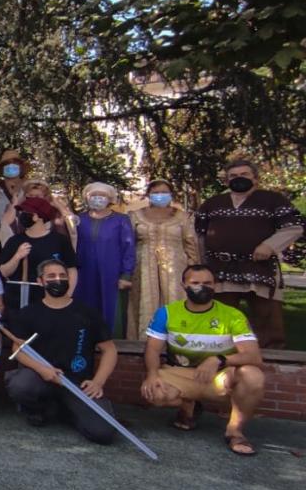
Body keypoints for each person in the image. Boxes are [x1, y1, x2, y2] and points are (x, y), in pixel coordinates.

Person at [141, 265, 265, 455]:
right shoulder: (166, 313)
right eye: (195, 282)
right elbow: (152, 349)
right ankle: (188, 408)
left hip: (220, 376)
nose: (202, 287)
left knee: (253, 376)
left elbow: (253, 356)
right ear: (184, 285)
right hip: (180, 373)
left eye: (207, 283)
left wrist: (218, 359)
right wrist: (151, 375)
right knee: (154, 393)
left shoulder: (232, 315)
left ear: (215, 285)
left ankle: (235, 431)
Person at [1, 259, 118, 444]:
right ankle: (41, 410)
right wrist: (42, 370)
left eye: (62, 276)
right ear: (40, 281)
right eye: (51, 276)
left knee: (102, 433)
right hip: (42, 378)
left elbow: (109, 350)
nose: (58, 280)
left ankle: (68, 410)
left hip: (77, 383)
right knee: (21, 385)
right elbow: (19, 349)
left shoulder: (87, 313)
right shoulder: (29, 313)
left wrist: (98, 382)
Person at [194, 159, 304, 349]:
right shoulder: (213, 203)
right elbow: (199, 235)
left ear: (255, 178)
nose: (238, 178)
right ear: (226, 180)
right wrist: (202, 263)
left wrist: (269, 246)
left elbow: (294, 227)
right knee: (220, 319)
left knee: (267, 318)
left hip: (260, 268)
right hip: (221, 269)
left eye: (244, 174)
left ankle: (271, 358)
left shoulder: (273, 200)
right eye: (233, 176)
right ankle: (222, 356)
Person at [128, 180, 200, 338]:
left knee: (175, 297)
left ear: (171, 195)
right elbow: (128, 243)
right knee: (144, 300)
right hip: (143, 266)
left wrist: (193, 266)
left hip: (176, 265)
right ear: (148, 195)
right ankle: (143, 340)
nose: (160, 196)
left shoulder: (182, 217)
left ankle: (179, 339)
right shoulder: (135, 216)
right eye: (155, 193)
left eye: (164, 192)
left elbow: (190, 242)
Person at [74, 181, 136, 335]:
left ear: (110, 199)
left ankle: (112, 341)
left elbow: (128, 247)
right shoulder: (79, 220)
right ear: (86, 198)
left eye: (102, 195)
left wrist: (126, 274)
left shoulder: (121, 220)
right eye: (93, 195)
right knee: (85, 307)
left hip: (112, 273)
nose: (97, 198)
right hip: (84, 272)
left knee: (111, 308)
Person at [0, 197, 77, 310]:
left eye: (25, 211)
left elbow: (71, 270)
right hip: (18, 301)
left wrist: (67, 296)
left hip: (50, 300)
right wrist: (17, 256)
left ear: (37, 216)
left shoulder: (60, 240)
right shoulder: (14, 241)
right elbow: (4, 272)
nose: (21, 215)